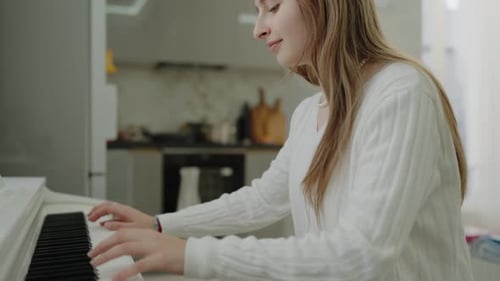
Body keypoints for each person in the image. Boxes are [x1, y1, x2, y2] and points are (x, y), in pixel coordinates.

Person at [87, 0, 474, 280]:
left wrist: (192, 255)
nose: (258, 28)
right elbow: (262, 199)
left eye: (272, 7)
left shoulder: (401, 92)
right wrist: (160, 224)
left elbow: (362, 254)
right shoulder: (311, 112)